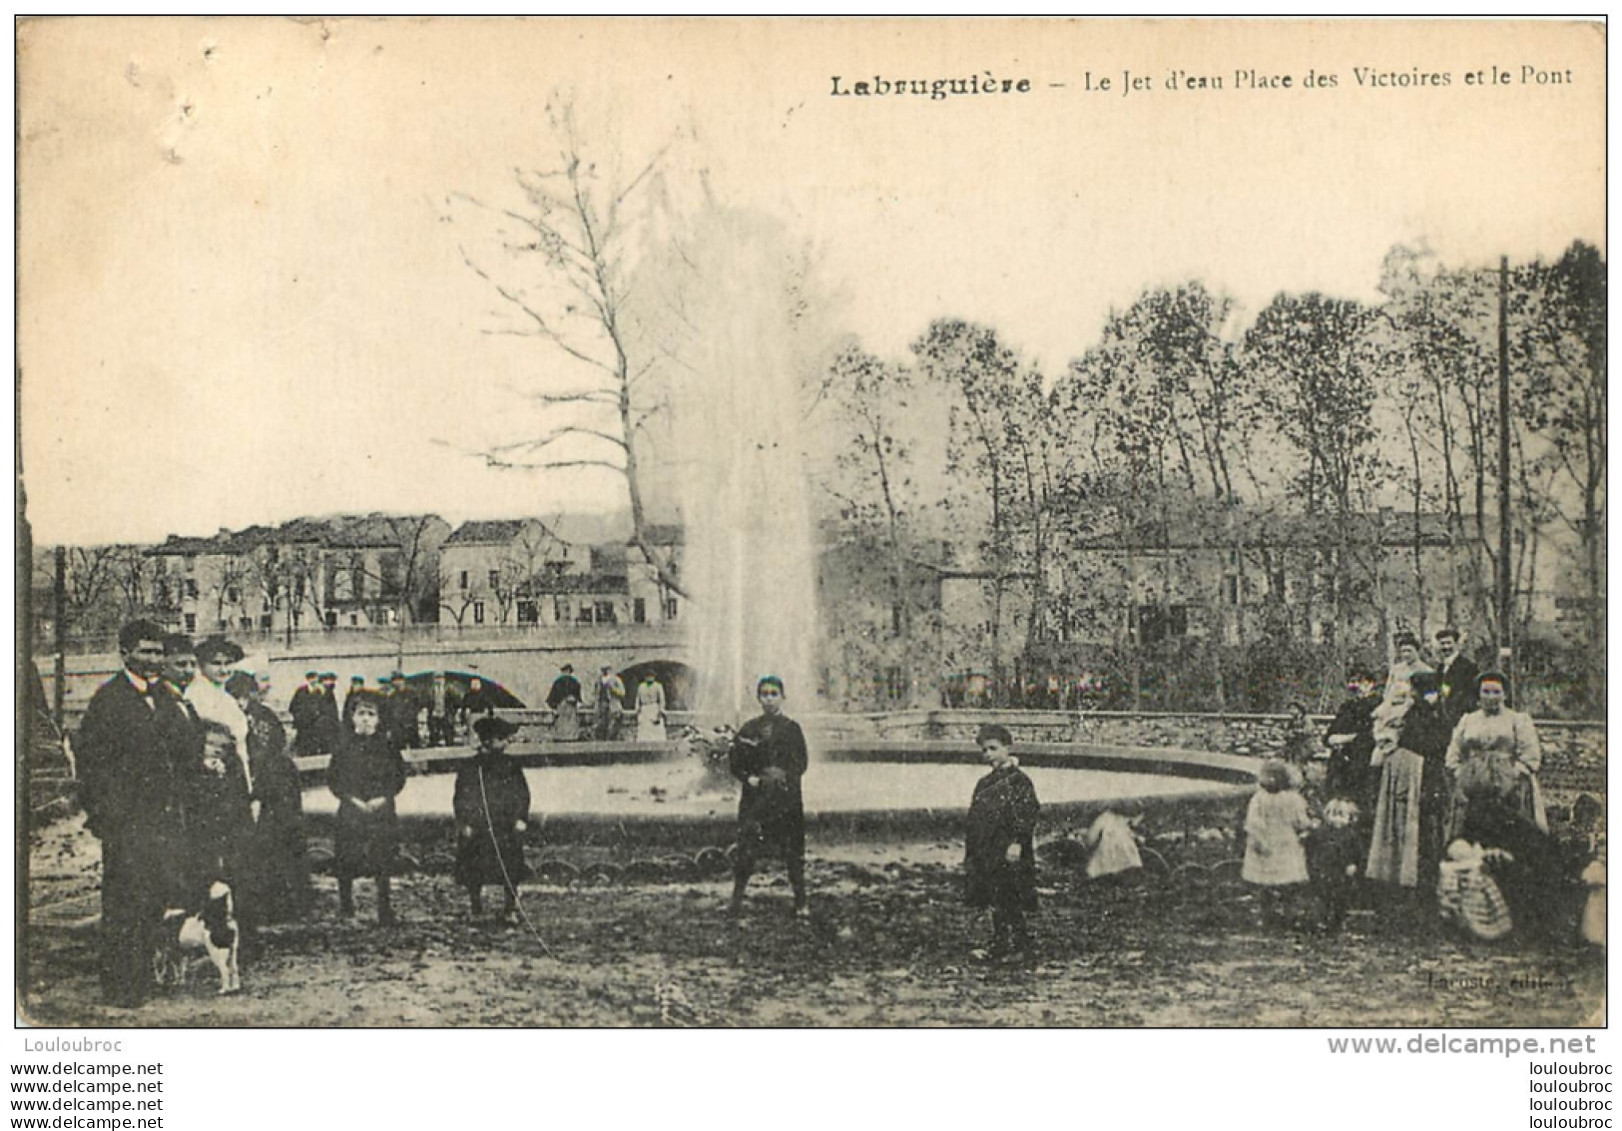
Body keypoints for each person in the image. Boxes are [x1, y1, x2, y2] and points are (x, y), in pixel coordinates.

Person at [73, 620, 199, 1008]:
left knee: (155, 900)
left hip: (165, 820)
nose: (153, 659)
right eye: (145, 651)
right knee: (125, 903)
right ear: (124, 653)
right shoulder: (108, 700)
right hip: (127, 823)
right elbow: (92, 765)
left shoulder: (166, 696)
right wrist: (109, 817)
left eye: (159, 652)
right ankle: (120, 986)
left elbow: (185, 748)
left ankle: (144, 976)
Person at [225, 673, 309, 925]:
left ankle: (285, 903)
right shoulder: (233, 716)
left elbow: (271, 748)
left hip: (274, 786)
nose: (241, 702)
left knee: (277, 846)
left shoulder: (260, 717)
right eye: (236, 697)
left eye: (244, 696)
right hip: (261, 784)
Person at [1366, 671, 1453, 906]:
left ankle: (1421, 888)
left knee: (1423, 831)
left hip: (1424, 776)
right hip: (1404, 774)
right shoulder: (1411, 712)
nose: (1412, 695)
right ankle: (1399, 886)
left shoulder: (1436, 716)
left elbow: (1435, 746)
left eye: (1416, 690)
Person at [728, 676, 810, 918]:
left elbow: (802, 762)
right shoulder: (749, 728)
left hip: (785, 800)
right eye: (764, 694)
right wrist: (748, 778)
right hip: (756, 798)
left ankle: (801, 900)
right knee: (747, 850)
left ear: (783, 697)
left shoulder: (792, 728)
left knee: (793, 852)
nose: (769, 698)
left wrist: (784, 777)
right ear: (758, 698)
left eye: (774, 694)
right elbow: (735, 762)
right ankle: (736, 900)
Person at [328, 693, 407, 925]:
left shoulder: (388, 747)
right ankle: (346, 906)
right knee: (346, 857)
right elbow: (333, 778)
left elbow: (399, 776)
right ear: (352, 717)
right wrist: (352, 799)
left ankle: (384, 908)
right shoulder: (343, 747)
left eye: (371, 714)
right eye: (360, 713)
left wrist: (383, 798)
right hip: (351, 811)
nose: (365, 719)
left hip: (381, 811)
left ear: (379, 719)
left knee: (382, 858)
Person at [964, 724, 1040, 959]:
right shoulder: (984, 782)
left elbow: (1028, 813)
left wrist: (1017, 842)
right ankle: (999, 942)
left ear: (1007, 748)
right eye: (984, 750)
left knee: (1011, 896)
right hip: (988, 850)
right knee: (993, 896)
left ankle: (1021, 944)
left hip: (1009, 849)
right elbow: (975, 816)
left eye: (994, 749)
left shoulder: (1020, 781)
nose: (988, 755)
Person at [453, 717, 532, 920]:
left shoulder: (511, 765)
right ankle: (476, 906)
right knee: (474, 867)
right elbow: (461, 797)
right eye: (503, 739)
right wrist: (465, 823)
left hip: (506, 826)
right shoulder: (471, 767)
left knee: (511, 866)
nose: (506, 743)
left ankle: (509, 907)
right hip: (478, 826)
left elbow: (522, 793)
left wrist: (521, 818)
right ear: (489, 740)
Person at [1241, 759, 1312, 926]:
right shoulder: (1293, 799)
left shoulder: (1258, 798)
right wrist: (1308, 827)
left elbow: (1252, 822)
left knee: (1264, 882)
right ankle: (1290, 913)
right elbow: (1301, 821)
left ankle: (1266, 913)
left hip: (1265, 841)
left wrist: (1258, 838)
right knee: (1289, 882)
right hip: (1286, 843)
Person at [190, 636, 252, 794]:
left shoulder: (227, 698)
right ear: (202, 665)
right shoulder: (196, 695)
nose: (224, 670)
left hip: (236, 767)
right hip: (213, 774)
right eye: (216, 663)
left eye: (228, 663)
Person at [1323, 669, 1381, 809]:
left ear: (1371, 684)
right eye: (1352, 682)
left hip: (1362, 760)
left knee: (1360, 800)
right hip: (1340, 761)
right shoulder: (1347, 706)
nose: (1354, 686)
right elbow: (1331, 732)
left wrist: (1347, 738)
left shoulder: (1377, 705)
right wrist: (1331, 739)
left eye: (1359, 682)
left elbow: (1373, 734)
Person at [1307, 797, 1363, 934]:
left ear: (1350, 818)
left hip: (1341, 871)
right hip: (1324, 869)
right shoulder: (1321, 833)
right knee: (1322, 896)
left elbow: (1357, 852)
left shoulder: (1351, 835)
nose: (1336, 819)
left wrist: (1353, 864)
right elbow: (1312, 847)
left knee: (1340, 897)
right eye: (1333, 815)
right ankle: (1321, 921)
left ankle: (1337, 922)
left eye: (1341, 815)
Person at [1433, 627, 1481, 725]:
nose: (1446, 647)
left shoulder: (1468, 666)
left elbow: (1471, 694)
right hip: (1443, 718)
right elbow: (1443, 688)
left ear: (1456, 644)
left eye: (1449, 643)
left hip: (1461, 717)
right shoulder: (1441, 667)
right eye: (1442, 643)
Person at [1384, 631, 1433, 703]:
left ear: (1417, 651)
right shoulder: (1396, 669)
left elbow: (1430, 696)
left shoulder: (1427, 671)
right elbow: (1387, 692)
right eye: (1403, 651)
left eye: (1409, 651)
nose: (1406, 654)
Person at [383, 671, 421, 750]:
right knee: (399, 749)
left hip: (411, 726)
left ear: (402, 681)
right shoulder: (392, 696)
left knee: (415, 748)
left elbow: (416, 708)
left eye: (397, 680)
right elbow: (390, 712)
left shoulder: (411, 693)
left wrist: (408, 719)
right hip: (398, 728)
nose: (395, 683)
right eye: (393, 681)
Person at [289, 670, 323, 756]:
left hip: (314, 726)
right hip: (303, 725)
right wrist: (299, 716)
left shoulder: (319, 693)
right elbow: (292, 707)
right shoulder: (301, 691)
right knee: (302, 747)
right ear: (308, 680)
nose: (314, 682)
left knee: (313, 748)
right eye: (312, 680)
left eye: (316, 680)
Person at [547, 665, 582, 741]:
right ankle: (570, 736)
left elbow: (552, 697)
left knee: (564, 723)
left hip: (563, 706)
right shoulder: (575, 682)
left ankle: (563, 736)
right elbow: (578, 697)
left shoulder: (558, 682)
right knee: (569, 722)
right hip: (570, 706)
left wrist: (554, 706)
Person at [594, 666, 626, 741]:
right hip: (602, 706)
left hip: (613, 706)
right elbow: (596, 695)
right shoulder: (598, 681)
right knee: (601, 728)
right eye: (603, 669)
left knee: (612, 728)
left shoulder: (616, 680)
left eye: (606, 669)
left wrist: (613, 689)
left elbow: (622, 693)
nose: (605, 671)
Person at [635, 673, 668, 743]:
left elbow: (662, 699)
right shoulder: (641, 686)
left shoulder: (658, 686)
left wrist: (661, 710)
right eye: (647, 676)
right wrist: (637, 710)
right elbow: (637, 699)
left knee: (656, 729)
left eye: (651, 676)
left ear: (654, 677)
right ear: (645, 677)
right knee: (644, 729)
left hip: (654, 708)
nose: (649, 678)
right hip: (644, 709)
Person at [426, 672, 456, 747]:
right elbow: (426, 701)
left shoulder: (450, 689)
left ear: (444, 679)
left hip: (446, 714)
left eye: (441, 678)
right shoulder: (430, 690)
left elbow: (455, 702)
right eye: (437, 678)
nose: (439, 680)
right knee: (434, 734)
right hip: (434, 714)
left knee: (448, 734)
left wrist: (451, 712)